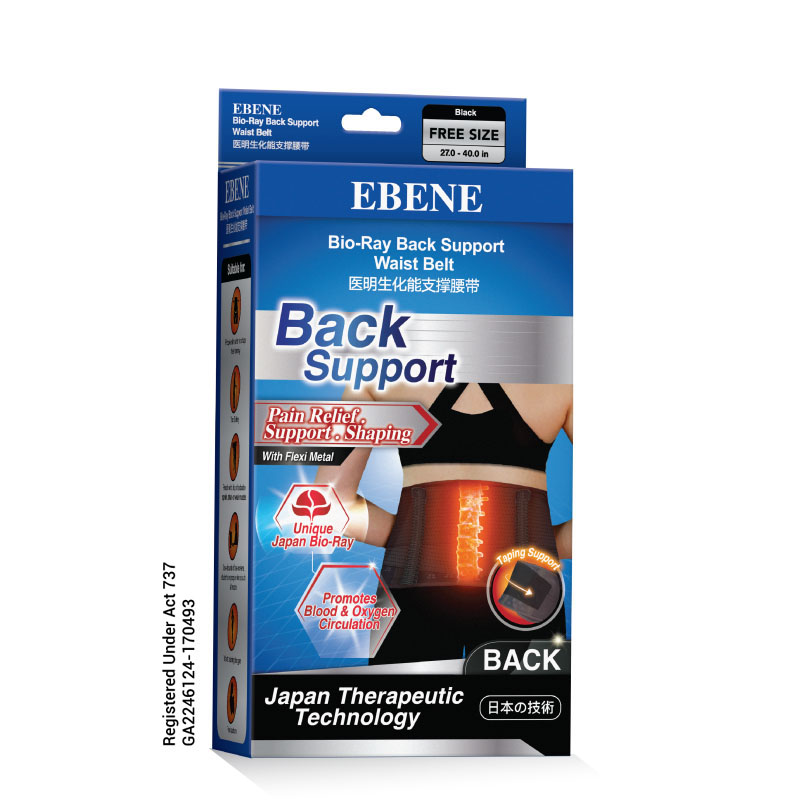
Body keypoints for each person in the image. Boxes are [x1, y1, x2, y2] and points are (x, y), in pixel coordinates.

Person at [316, 381, 572, 663]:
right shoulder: (564, 382)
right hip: (526, 589)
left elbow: (330, 505)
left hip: (409, 588)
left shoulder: (377, 375)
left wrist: (411, 541)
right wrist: (540, 546)